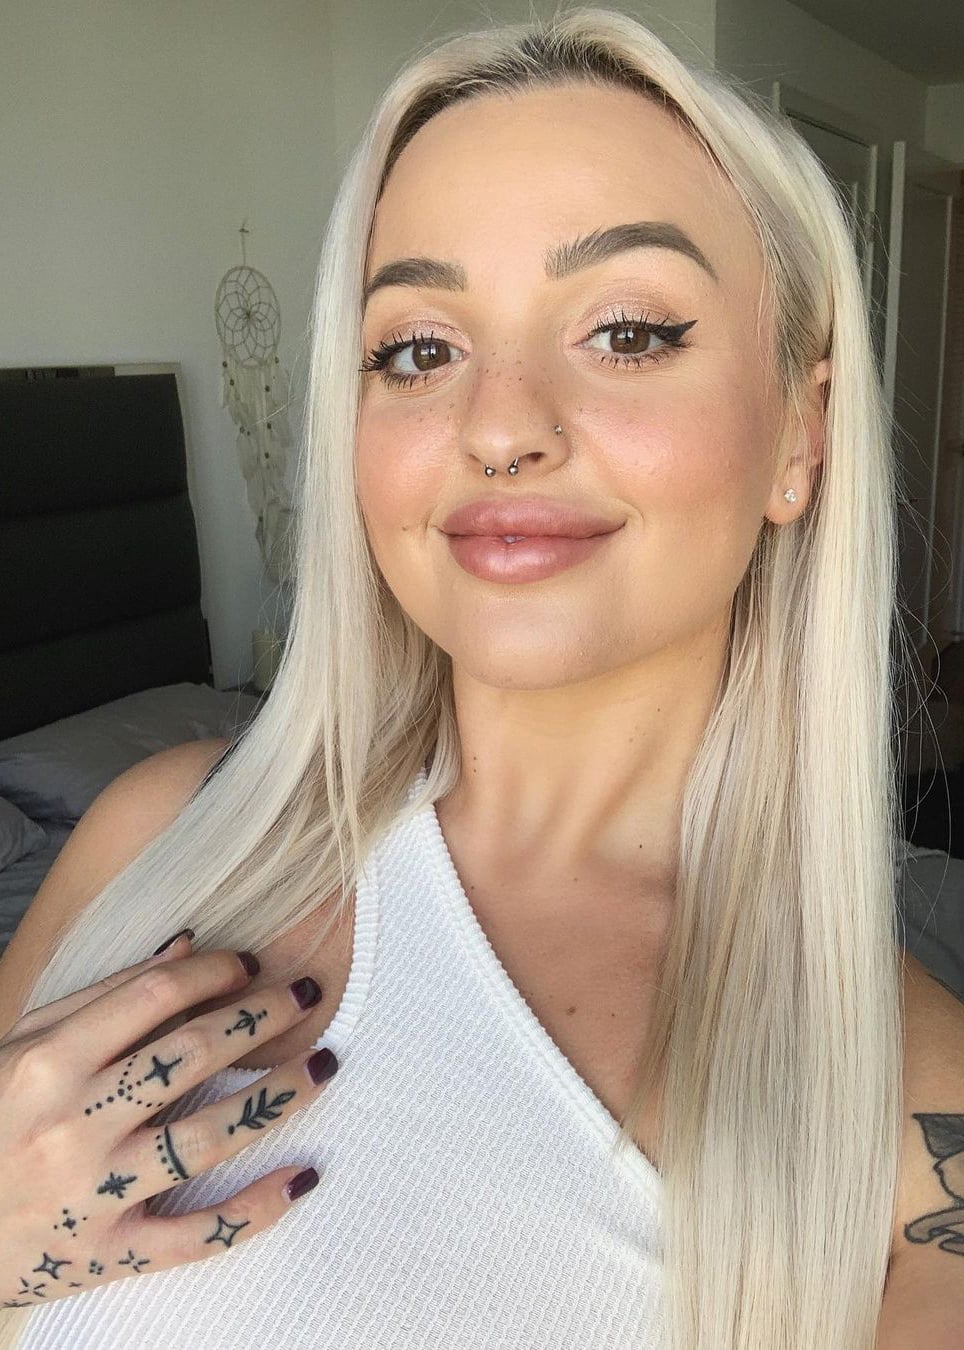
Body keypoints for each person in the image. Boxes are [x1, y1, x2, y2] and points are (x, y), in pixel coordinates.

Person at [0, 6, 959, 1347]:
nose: (499, 426)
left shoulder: (907, 1116)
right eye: (418, 350)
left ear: (801, 433)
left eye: (628, 333)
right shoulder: (154, 831)